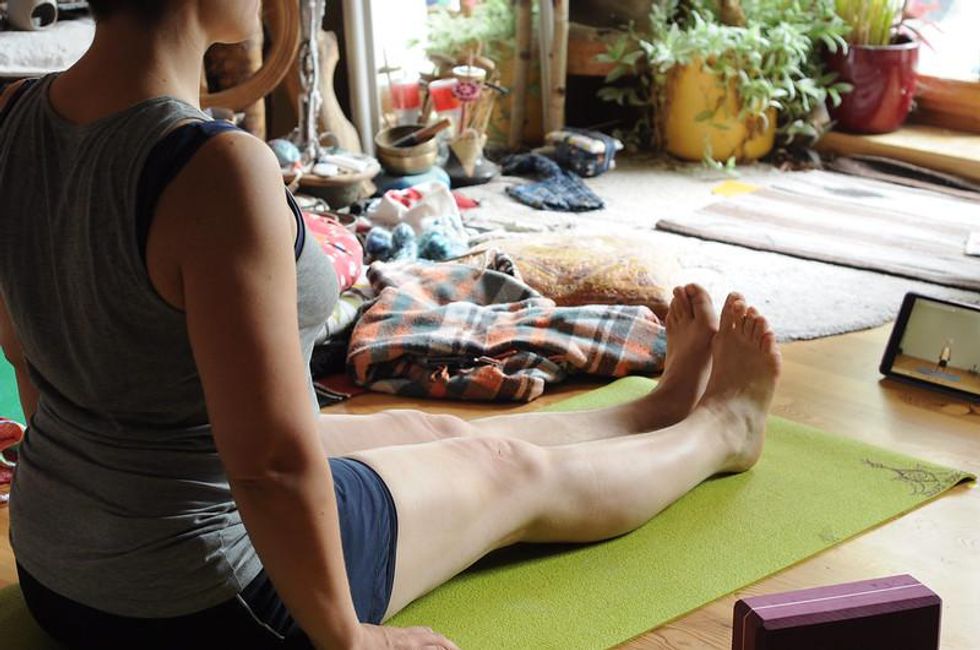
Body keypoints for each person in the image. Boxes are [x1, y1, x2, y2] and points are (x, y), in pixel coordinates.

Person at [0, 1, 782, 648]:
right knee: (503, 465)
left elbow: (31, 365)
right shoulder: (210, 169)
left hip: (54, 567)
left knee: (426, 430)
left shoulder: (12, 116)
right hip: (203, 602)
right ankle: (723, 429)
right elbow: (268, 467)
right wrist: (348, 638)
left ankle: (654, 409)